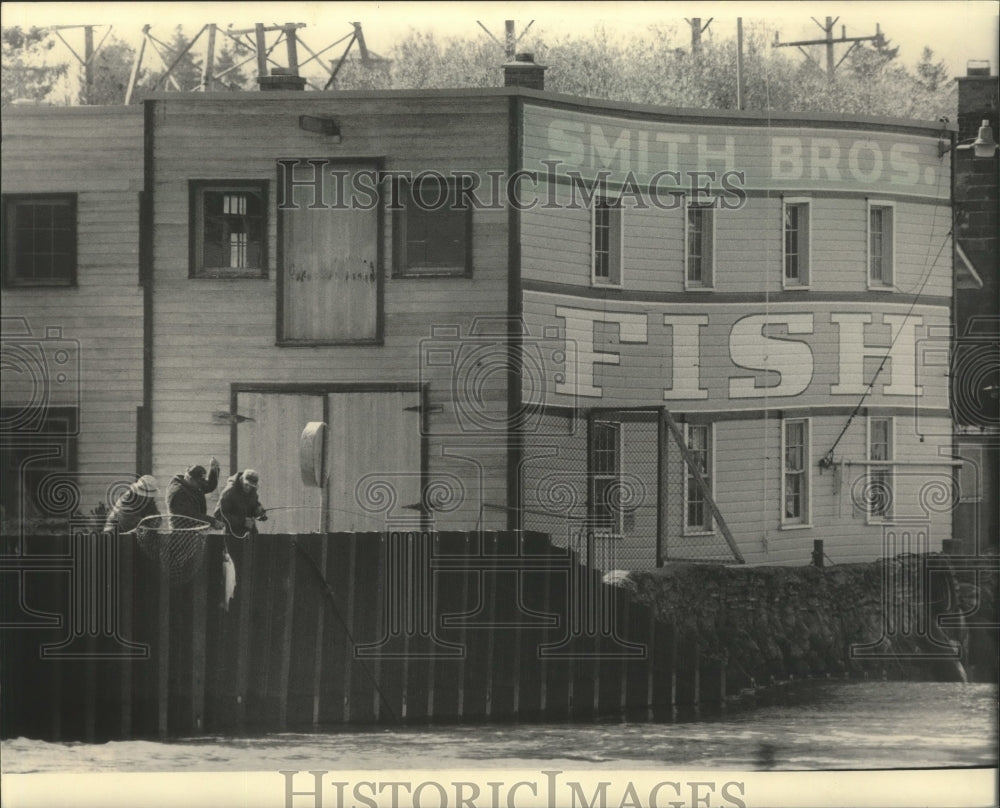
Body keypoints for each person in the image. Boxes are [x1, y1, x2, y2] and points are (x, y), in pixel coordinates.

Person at [165, 457, 220, 525]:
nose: (200, 485)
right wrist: (212, 521)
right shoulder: (177, 492)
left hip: (194, 527)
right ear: (190, 478)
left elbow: (209, 486)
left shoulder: (191, 484)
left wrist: (214, 470)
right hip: (181, 530)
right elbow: (189, 515)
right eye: (199, 482)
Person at [214, 468, 267, 538]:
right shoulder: (229, 492)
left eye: (251, 486)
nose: (248, 488)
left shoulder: (252, 490)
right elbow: (219, 514)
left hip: (250, 533)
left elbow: (254, 504)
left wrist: (258, 510)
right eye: (246, 485)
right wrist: (242, 522)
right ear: (241, 479)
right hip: (232, 535)